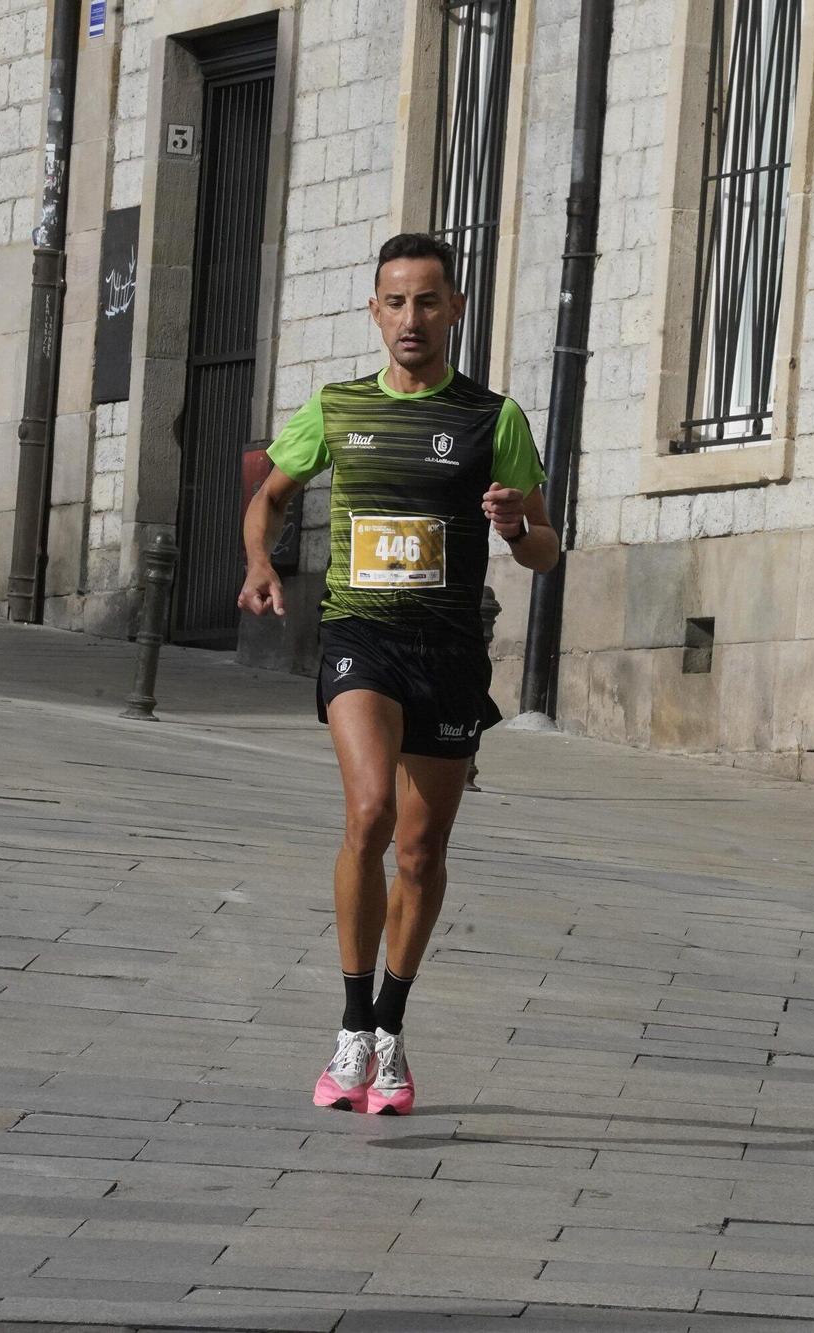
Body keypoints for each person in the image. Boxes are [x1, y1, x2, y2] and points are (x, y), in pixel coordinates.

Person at [238, 233, 559, 1115]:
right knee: (370, 811)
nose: (409, 319)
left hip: (449, 650)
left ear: (455, 310)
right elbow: (267, 495)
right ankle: (349, 1025)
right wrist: (261, 563)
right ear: (374, 311)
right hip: (360, 638)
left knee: (422, 851)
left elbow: (545, 547)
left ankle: (390, 1027)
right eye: (394, 302)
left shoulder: (494, 419)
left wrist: (510, 527)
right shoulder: (337, 407)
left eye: (427, 302)